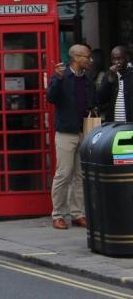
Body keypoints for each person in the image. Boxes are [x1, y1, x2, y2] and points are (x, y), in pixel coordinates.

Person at [46, 44, 96, 230]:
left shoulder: (88, 80)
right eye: (87, 57)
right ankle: (58, 215)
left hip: (84, 131)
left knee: (80, 175)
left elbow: (92, 102)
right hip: (66, 133)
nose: (90, 60)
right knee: (63, 174)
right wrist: (57, 80)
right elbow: (50, 98)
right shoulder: (61, 77)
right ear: (76, 58)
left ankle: (77, 214)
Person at [98, 45, 132, 123]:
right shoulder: (108, 75)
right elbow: (101, 99)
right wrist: (109, 80)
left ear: (127, 58)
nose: (116, 62)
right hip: (113, 124)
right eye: (113, 59)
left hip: (130, 124)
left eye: (119, 59)